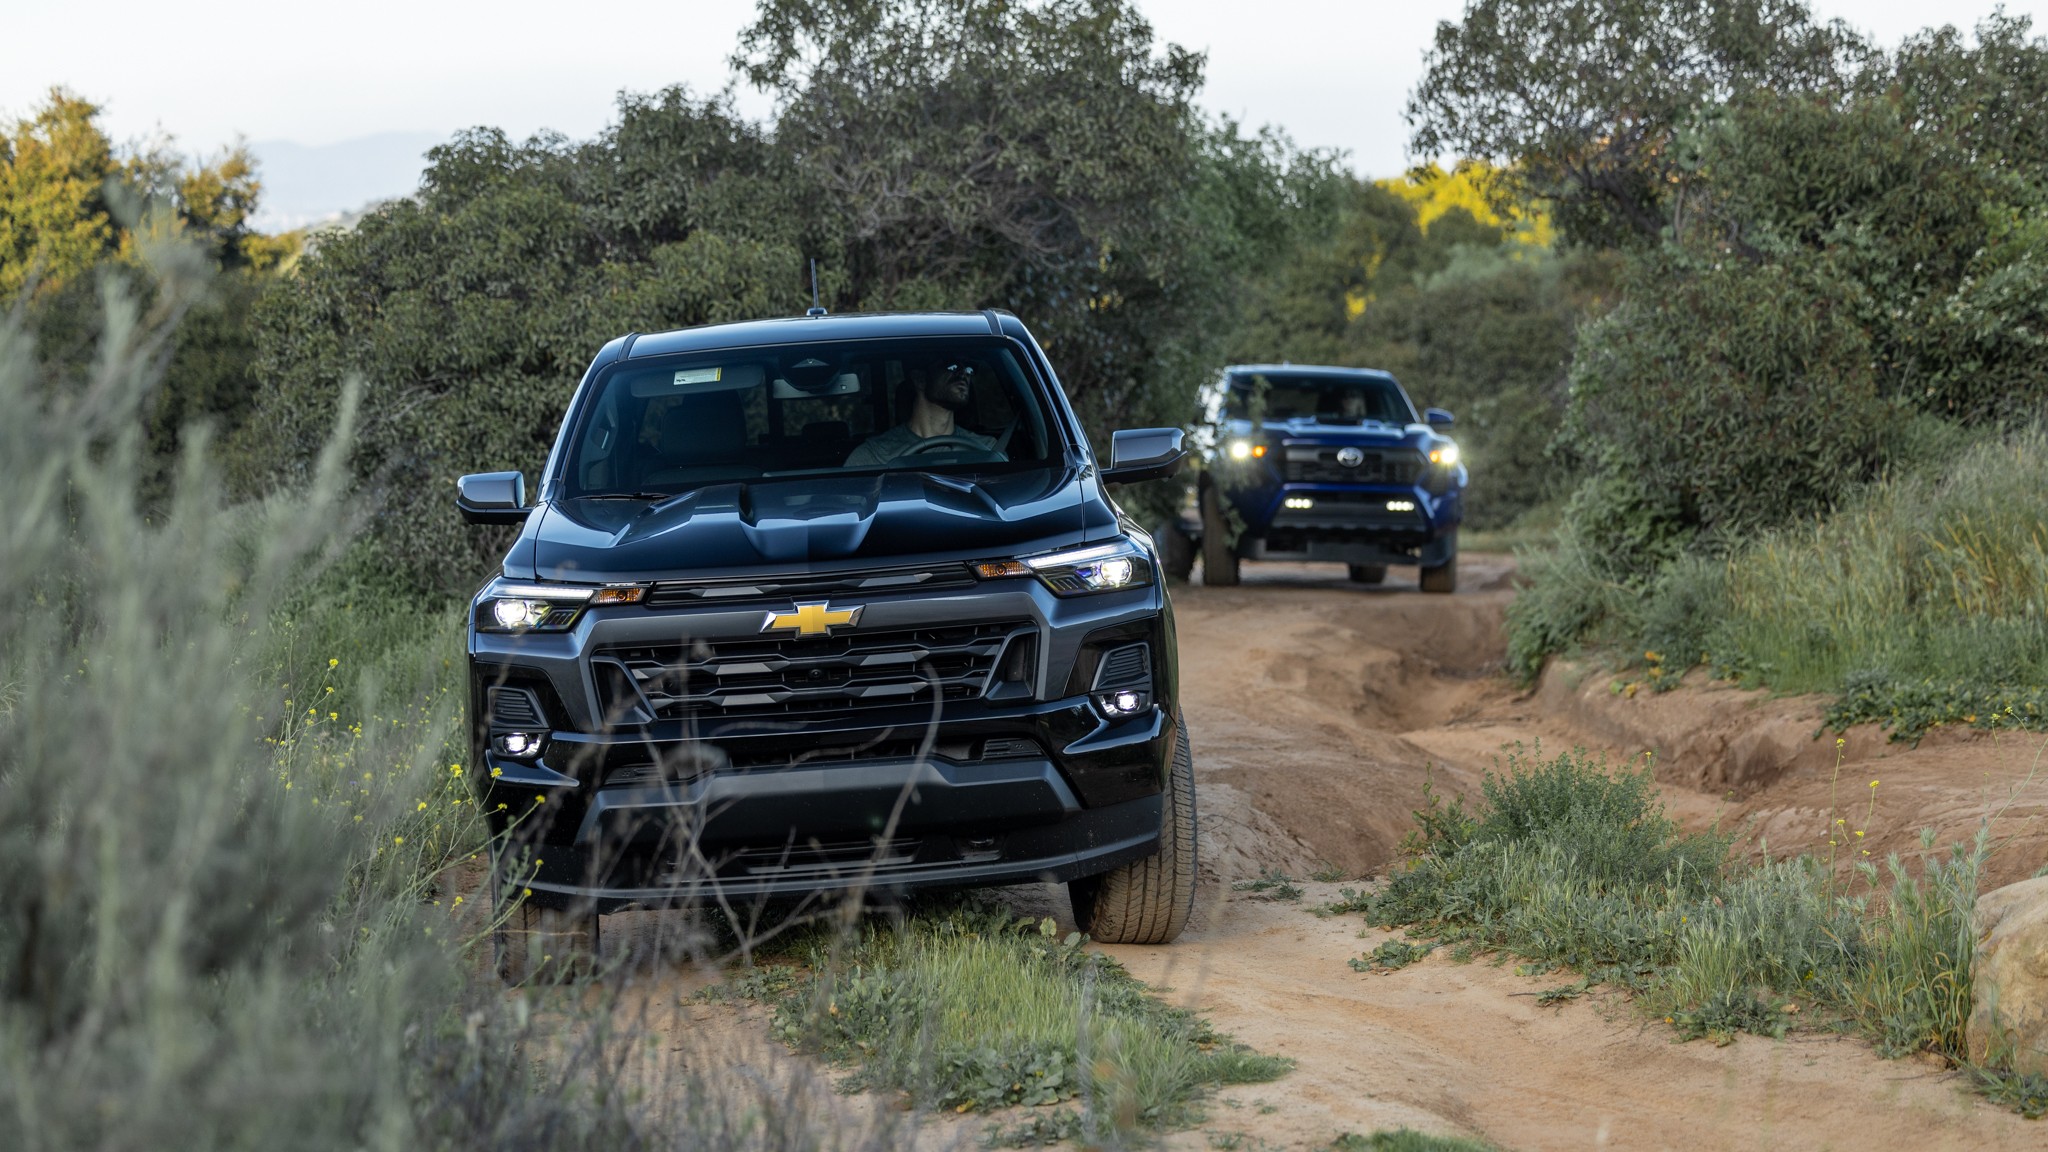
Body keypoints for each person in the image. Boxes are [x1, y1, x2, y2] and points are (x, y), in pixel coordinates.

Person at [844, 358, 1004, 467]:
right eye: (952, 367)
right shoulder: (873, 456)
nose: (963, 374)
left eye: (969, 369)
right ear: (919, 379)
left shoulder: (987, 450)